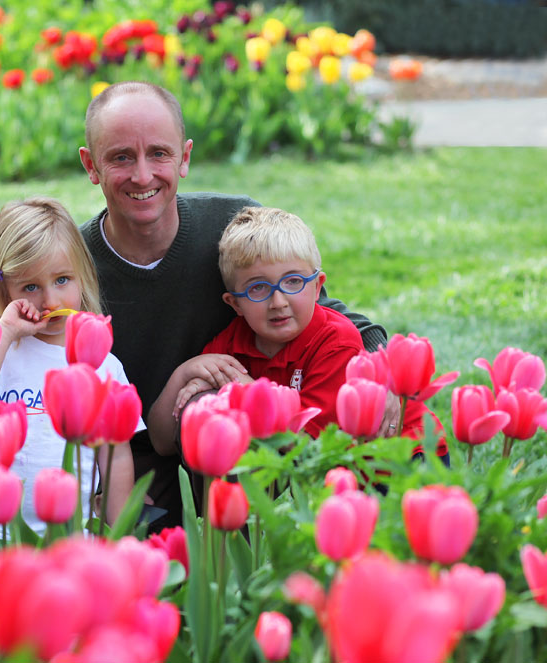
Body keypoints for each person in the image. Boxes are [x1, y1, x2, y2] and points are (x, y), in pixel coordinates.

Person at [77, 81, 394, 530]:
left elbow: (326, 313)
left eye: (160, 154)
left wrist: (384, 365)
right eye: (121, 157)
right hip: (130, 460)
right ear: (91, 165)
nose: (143, 175)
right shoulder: (72, 262)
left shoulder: (229, 229)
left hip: (235, 452)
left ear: (185, 157)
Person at [0, 196, 139, 533]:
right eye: (30, 287)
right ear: (4, 289)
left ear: (83, 275)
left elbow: (116, 455)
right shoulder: (1, 351)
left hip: (72, 537)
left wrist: (118, 529)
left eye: (62, 280)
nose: (51, 301)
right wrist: (6, 332)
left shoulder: (101, 364)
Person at [149, 206, 382, 449]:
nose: (278, 302)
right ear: (235, 303)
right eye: (257, 288)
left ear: (317, 286)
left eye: (293, 281)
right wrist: (183, 374)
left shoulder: (336, 342)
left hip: (391, 469)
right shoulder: (230, 345)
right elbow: (162, 442)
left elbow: (309, 449)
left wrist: (245, 389)